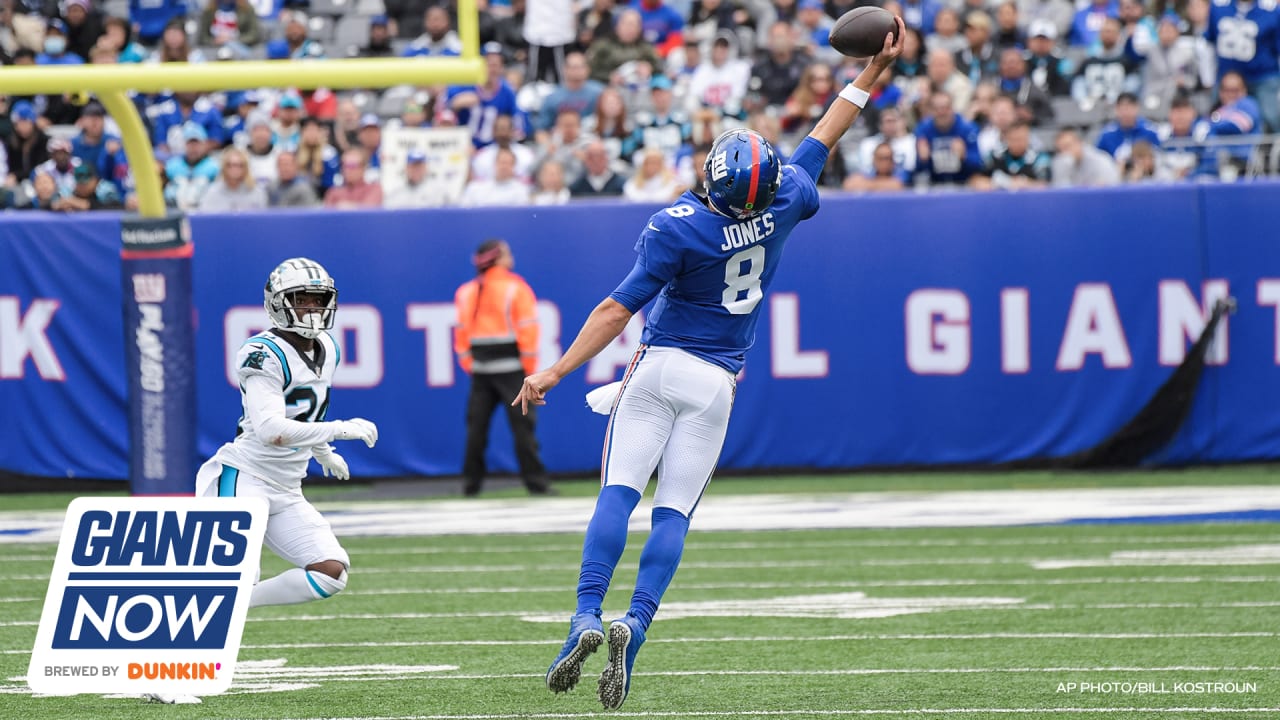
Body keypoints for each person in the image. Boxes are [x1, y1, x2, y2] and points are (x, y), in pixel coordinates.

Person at [516, 16, 905, 712]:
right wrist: (874, 71)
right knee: (674, 516)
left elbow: (615, 310)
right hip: (716, 382)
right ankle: (634, 623)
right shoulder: (784, 199)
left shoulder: (680, 227)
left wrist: (554, 371)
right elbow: (827, 133)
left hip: (659, 366)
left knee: (618, 493)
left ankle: (582, 616)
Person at [195, 257, 378, 613]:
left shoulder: (328, 348)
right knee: (232, 578)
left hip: (286, 486)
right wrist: (341, 430)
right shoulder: (263, 352)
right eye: (302, 299)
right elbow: (271, 430)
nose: (312, 308)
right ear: (277, 303)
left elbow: (308, 411)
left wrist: (323, 452)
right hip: (245, 477)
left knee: (330, 573)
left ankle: (239, 604)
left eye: (318, 299)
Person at [454, 240, 554, 498]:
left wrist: (470, 364)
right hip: (513, 372)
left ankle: (470, 486)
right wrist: (529, 372)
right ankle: (536, 484)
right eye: (507, 252)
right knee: (524, 429)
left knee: (476, 430)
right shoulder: (516, 288)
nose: (512, 257)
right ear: (497, 258)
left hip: (480, 372)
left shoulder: (466, 291)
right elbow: (529, 330)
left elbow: (461, 334)